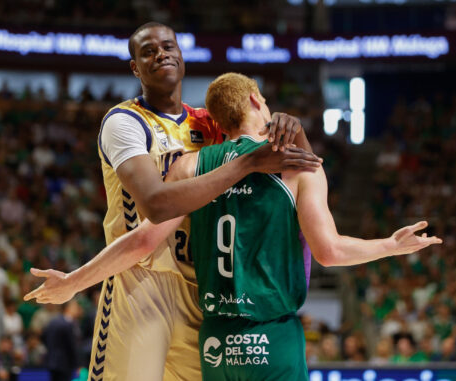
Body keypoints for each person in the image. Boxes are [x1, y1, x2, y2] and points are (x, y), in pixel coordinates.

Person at [25, 72, 442, 380]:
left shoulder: (189, 166)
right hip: (272, 336)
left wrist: (75, 281)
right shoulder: (298, 166)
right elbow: (329, 252)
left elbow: (141, 242)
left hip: (216, 343)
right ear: (258, 100)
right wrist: (388, 245)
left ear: (217, 122)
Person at [55, 22, 320, 381]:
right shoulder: (125, 122)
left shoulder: (209, 125)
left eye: (168, 46)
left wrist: (292, 129)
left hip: (202, 288)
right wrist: (250, 161)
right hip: (143, 278)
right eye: (149, 50)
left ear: (182, 57)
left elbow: (295, 174)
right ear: (135, 67)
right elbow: (156, 203)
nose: (161, 53)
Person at [42, 302, 82, 381]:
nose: (78, 310)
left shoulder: (53, 321)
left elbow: (44, 338)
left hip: (51, 361)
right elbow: (72, 347)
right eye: (75, 307)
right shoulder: (68, 324)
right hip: (65, 363)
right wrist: (78, 365)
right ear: (68, 308)